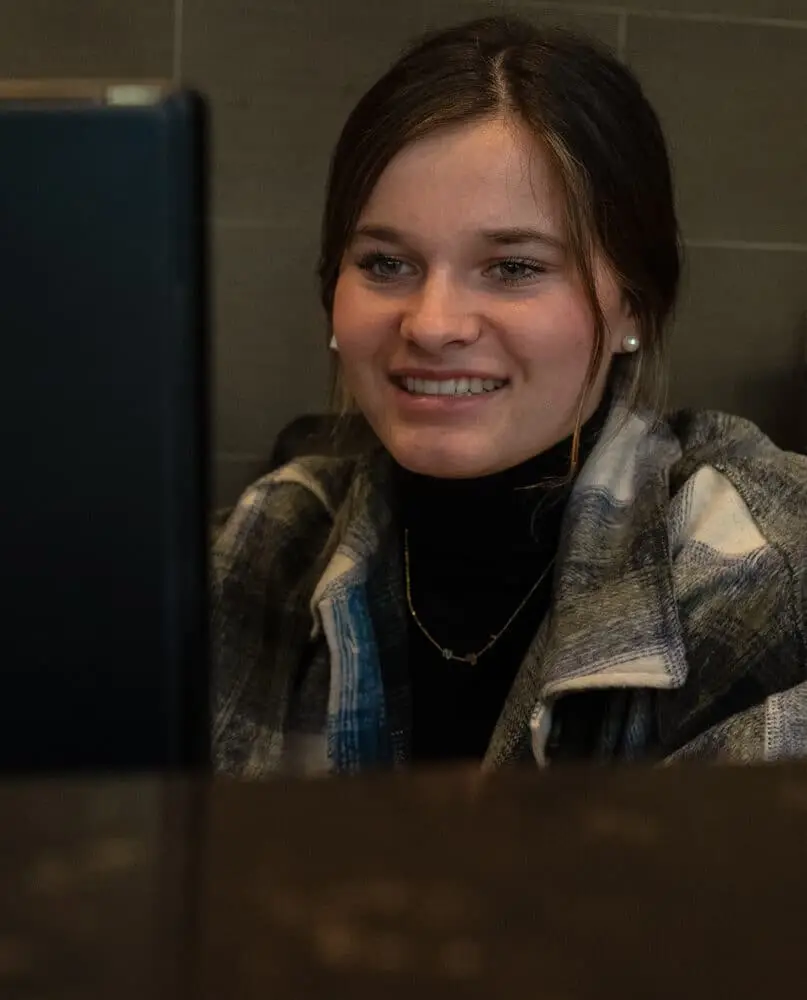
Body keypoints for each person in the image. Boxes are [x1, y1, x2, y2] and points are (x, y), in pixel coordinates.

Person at [212, 16, 807, 777]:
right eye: (386, 263)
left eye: (514, 268)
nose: (431, 324)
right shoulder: (267, 543)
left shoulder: (760, 575)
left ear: (633, 303)